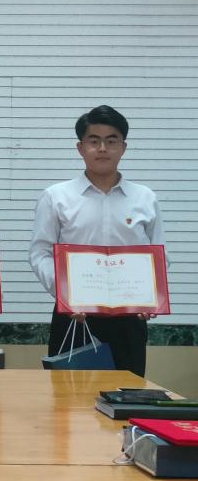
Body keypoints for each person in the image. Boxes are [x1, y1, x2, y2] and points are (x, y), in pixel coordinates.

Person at [29, 105, 164, 377]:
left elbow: (159, 256)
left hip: (129, 319)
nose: (103, 148)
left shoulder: (145, 198)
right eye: (94, 140)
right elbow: (40, 253)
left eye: (111, 140)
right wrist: (66, 294)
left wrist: (150, 298)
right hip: (74, 318)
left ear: (123, 147)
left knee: (127, 393)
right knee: (69, 398)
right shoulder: (56, 197)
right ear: (80, 148)